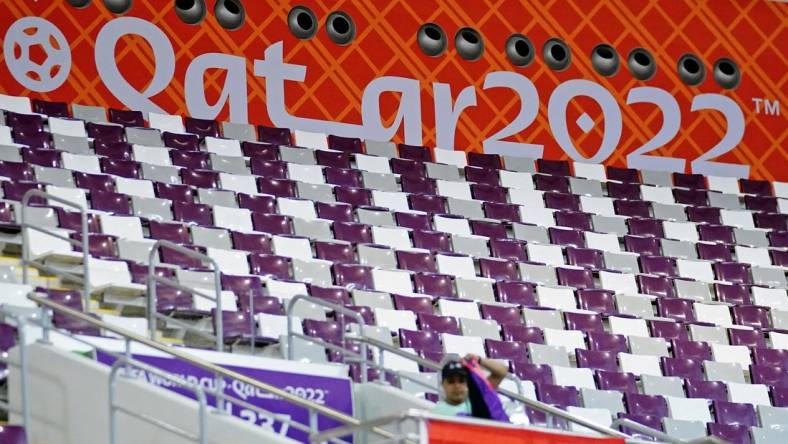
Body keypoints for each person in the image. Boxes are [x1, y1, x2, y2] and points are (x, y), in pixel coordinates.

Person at [432, 353, 509, 418]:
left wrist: (479, 360)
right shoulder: (437, 414)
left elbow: (502, 372)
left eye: (461, 381)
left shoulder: (479, 396)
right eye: (451, 382)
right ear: (442, 384)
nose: (457, 386)